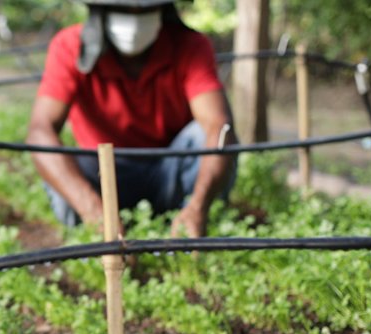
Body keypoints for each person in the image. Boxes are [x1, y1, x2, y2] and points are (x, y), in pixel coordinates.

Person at [27, 0, 238, 238]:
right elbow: (40, 130)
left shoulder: (190, 46)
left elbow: (217, 124)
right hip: (103, 175)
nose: (134, 21)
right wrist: (95, 212)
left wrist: (199, 205)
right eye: (123, 10)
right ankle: (95, 231)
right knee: (60, 163)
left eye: (145, 10)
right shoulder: (70, 46)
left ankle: (189, 222)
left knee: (209, 136)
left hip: (168, 169)